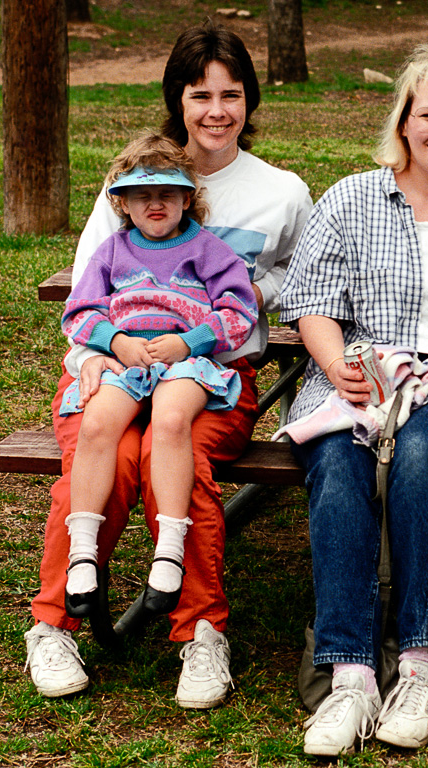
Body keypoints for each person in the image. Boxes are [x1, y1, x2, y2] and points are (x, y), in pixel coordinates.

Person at [24, 20, 312, 709]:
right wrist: (101, 352)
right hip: (114, 368)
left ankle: (202, 632)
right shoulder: (130, 181)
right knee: (112, 456)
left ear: (251, 102)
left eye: (232, 94)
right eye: (200, 94)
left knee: (169, 453)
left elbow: (305, 283)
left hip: (210, 378)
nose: (217, 110)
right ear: (176, 100)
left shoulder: (283, 191)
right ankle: (54, 621)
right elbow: (91, 285)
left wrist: (244, 296)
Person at [280, 42, 428, 755]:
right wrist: (337, 364)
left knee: (420, 452)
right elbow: (313, 302)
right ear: (403, 121)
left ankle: (419, 664)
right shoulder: (350, 197)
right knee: (339, 465)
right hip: (361, 373)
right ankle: (350, 672)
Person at [58, 133, 257, 626]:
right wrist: (116, 341)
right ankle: (82, 551)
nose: (155, 203)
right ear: (121, 203)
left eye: (167, 192)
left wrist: (189, 342)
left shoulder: (208, 250)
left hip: (185, 362)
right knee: (99, 424)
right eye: (141, 194)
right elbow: (79, 312)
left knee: (170, 423)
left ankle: (169, 549)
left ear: (187, 197)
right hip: (128, 360)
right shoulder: (113, 250)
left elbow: (239, 311)